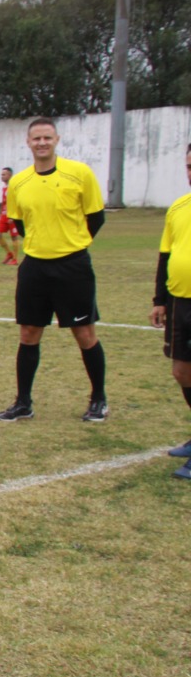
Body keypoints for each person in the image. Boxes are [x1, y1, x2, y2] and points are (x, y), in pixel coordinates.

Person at [0, 117, 108, 422]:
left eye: (47, 138)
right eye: (36, 139)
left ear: (57, 140)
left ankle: (98, 398)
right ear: (28, 143)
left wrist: (72, 244)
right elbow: (20, 224)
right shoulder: (19, 182)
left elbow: (96, 218)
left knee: (84, 333)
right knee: (29, 332)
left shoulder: (80, 174)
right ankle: (23, 402)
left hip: (73, 265)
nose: (42, 143)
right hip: (34, 267)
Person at [150, 144, 191, 478]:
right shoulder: (178, 207)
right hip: (180, 302)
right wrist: (159, 300)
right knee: (182, 372)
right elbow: (166, 256)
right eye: (190, 166)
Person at [0, 167, 21, 265]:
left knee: (14, 237)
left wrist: (13, 216)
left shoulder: (13, 188)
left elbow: (17, 202)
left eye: (4, 174)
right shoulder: (4, 188)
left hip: (12, 216)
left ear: (10, 175)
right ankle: (9, 254)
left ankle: (15, 259)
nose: (2, 176)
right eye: (1, 174)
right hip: (4, 215)